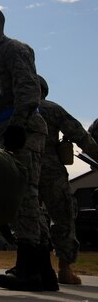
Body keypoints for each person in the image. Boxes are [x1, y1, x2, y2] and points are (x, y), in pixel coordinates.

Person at [0, 7, 55, 292]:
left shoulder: (14, 50)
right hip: (1, 131)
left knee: (24, 198)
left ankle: (29, 270)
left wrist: (19, 124)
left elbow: (28, 89)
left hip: (20, 130)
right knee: (19, 196)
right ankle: (43, 271)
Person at [36, 75, 98, 285]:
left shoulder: (12, 109)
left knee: (29, 217)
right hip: (51, 170)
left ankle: (34, 265)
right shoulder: (51, 109)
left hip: (22, 170)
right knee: (63, 216)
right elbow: (80, 135)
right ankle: (65, 269)